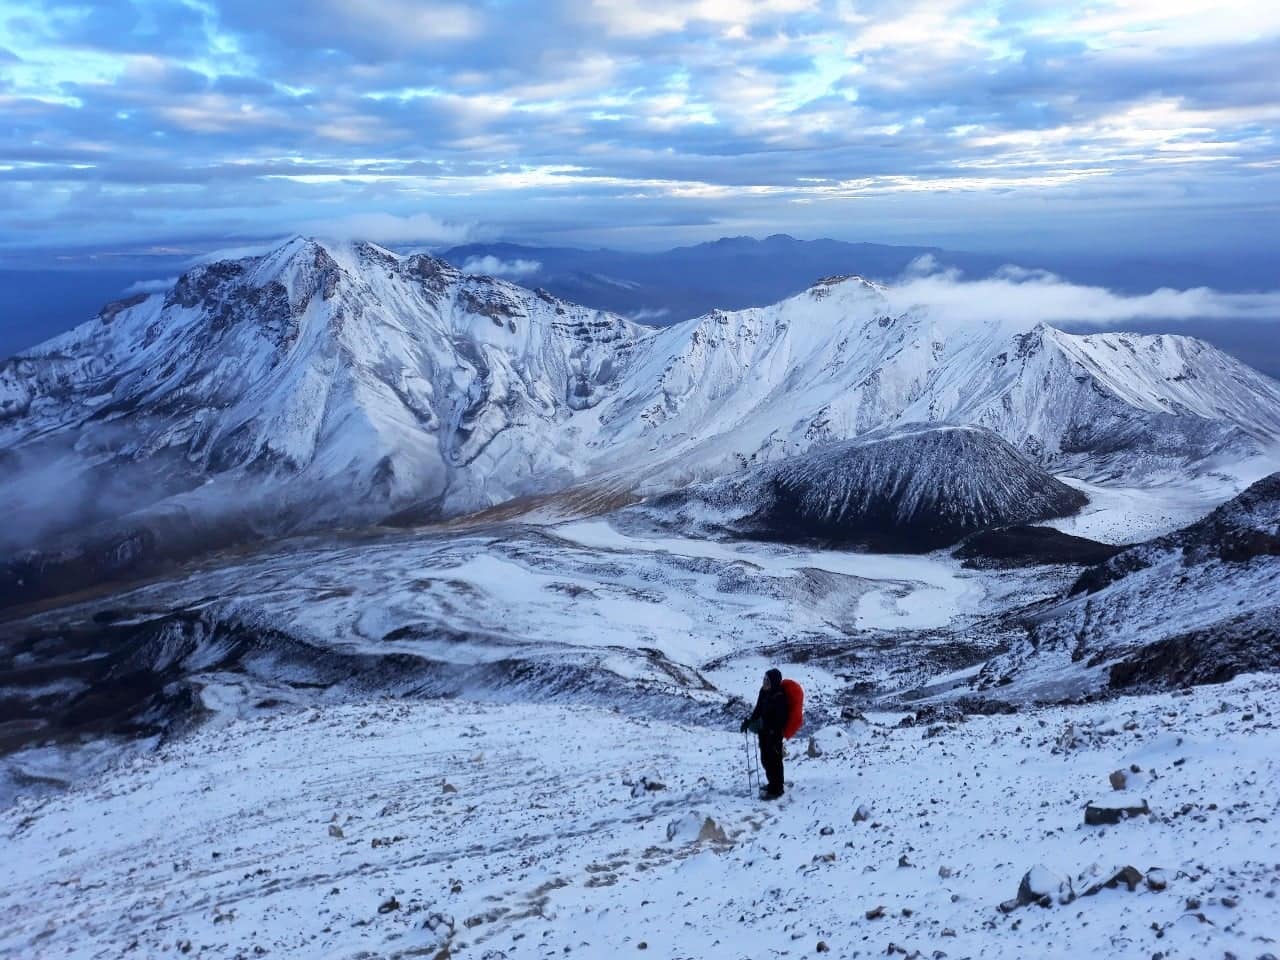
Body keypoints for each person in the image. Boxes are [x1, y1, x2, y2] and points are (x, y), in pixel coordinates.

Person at [740, 667, 789, 799]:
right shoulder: (763, 692)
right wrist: (750, 721)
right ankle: (772, 784)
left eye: (767, 680)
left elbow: (780, 719)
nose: (765, 682)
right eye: (764, 679)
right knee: (765, 760)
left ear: (774, 681)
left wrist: (767, 727)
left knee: (775, 760)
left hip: (774, 734)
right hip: (764, 733)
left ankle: (777, 788)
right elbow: (758, 709)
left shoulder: (779, 696)